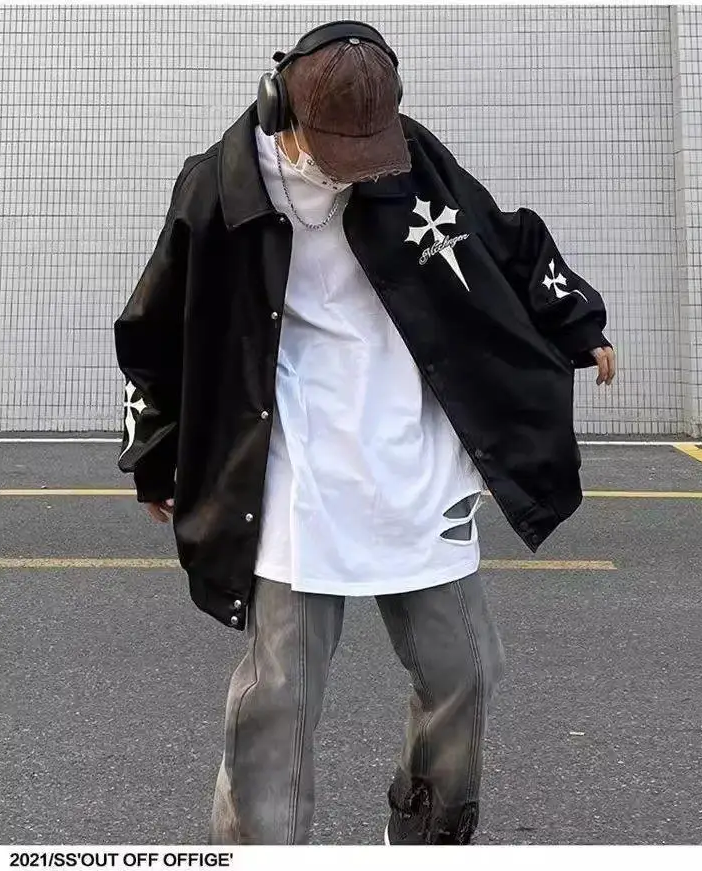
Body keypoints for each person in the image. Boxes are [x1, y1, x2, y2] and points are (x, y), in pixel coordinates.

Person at [114, 20, 616, 846]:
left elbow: (499, 238)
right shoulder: (221, 189)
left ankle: (425, 835)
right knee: (278, 699)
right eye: (339, 151)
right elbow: (155, 327)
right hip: (295, 471)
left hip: (414, 460)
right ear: (281, 110)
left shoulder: (407, 155)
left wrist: (574, 319)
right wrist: (155, 455)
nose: (360, 169)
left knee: (465, 672)